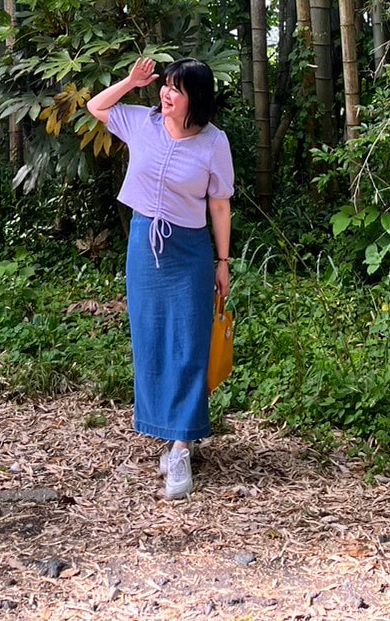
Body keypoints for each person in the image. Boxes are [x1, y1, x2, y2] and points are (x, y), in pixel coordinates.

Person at [86, 56, 233, 500]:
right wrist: (130, 83)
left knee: (189, 345)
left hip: (189, 251)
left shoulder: (213, 143)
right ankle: (162, 428)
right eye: (165, 86)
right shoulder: (142, 122)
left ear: (197, 100)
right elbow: (96, 107)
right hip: (143, 245)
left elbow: (220, 205)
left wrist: (222, 263)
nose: (166, 94)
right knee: (150, 339)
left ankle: (181, 446)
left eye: (176, 89)